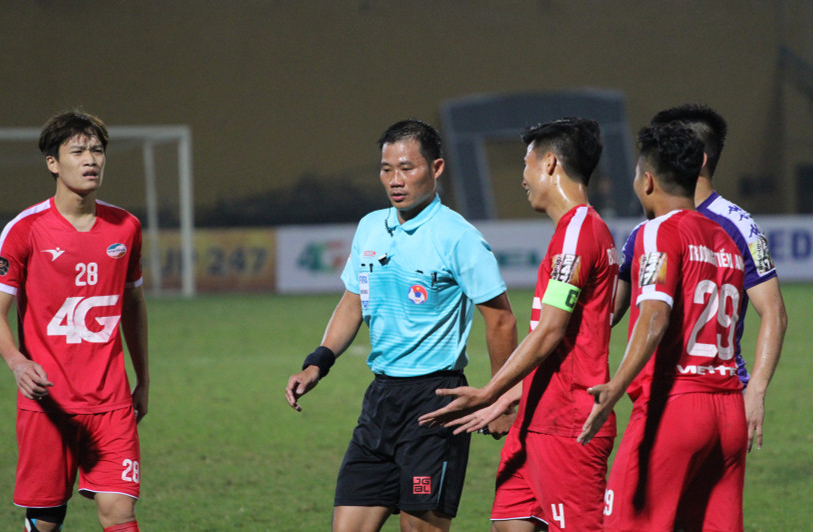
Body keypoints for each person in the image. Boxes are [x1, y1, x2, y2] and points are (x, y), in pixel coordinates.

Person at [284, 119, 519, 532]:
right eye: (386, 169)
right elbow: (354, 301)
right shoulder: (370, 227)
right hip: (380, 401)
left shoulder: (458, 237)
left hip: (436, 401)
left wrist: (501, 400)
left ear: (436, 168)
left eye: (407, 168)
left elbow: (501, 319)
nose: (395, 180)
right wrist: (318, 362)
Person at [419, 117, 619, 531]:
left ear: (550, 164)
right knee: (507, 524)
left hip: (567, 426)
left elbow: (550, 330)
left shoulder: (579, 233)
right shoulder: (574, 232)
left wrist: (489, 390)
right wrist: (510, 396)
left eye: (526, 165)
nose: (523, 178)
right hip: (536, 418)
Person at [0, 110, 149, 532]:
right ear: (53, 163)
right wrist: (17, 362)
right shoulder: (26, 229)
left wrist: (143, 379)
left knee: (119, 511)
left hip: (111, 403)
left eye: (97, 150)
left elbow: (133, 306)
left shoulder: (126, 227)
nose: (91, 159)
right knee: (46, 518)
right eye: (78, 151)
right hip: (48, 403)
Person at [578, 122, 748, 531]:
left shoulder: (658, 231)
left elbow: (655, 315)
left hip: (676, 406)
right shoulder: (726, 241)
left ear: (648, 181)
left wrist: (615, 387)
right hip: (729, 410)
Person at [612, 104, 787, 452]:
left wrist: (756, 391)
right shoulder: (644, 231)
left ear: (698, 158)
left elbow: (774, 312)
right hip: (667, 396)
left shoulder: (738, 225)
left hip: (712, 391)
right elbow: (608, 313)